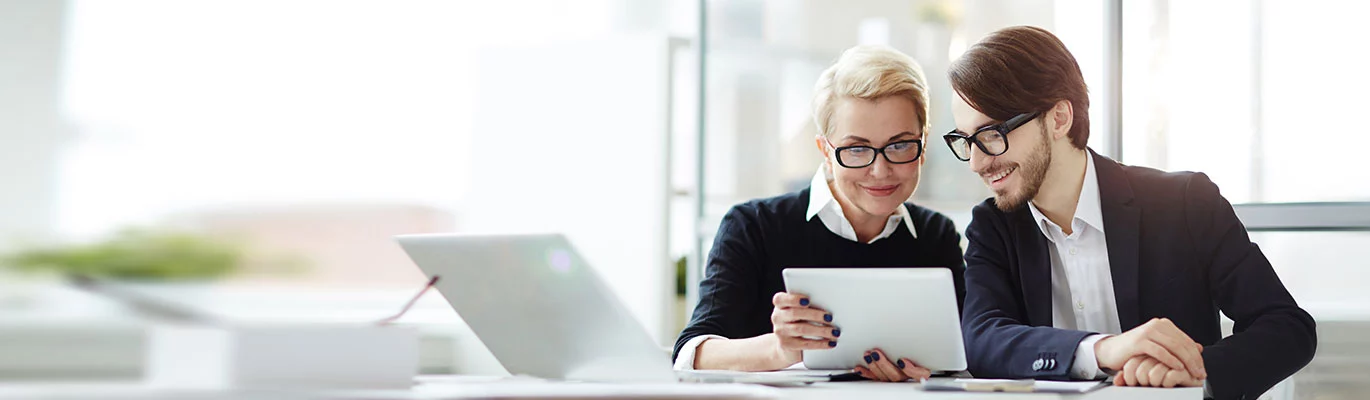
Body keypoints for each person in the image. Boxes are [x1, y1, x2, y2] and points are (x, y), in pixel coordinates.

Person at [943, 26, 1316, 398]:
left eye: (992, 134)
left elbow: (1287, 327)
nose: (976, 163)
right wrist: (1102, 349)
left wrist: (1195, 373)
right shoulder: (993, 225)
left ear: (1058, 119)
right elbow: (982, 338)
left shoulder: (1184, 202)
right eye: (966, 140)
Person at [672, 45, 966, 382]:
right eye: (857, 149)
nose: (881, 170)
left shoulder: (936, 236)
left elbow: (961, 353)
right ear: (825, 150)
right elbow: (692, 353)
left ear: (923, 144)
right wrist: (780, 350)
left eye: (900, 145)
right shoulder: (755, 226)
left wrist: (932, 371)